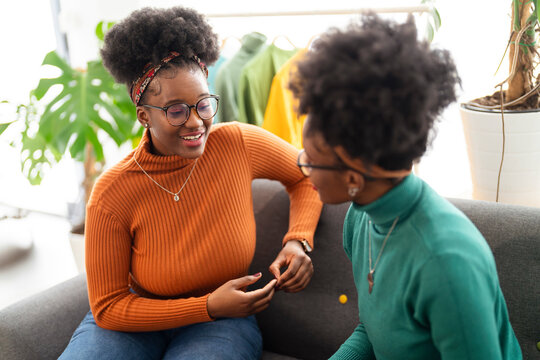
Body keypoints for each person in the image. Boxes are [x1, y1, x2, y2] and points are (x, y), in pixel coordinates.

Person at [59, 6, 322, 360]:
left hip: (224, 322)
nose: (196, 122)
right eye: (177, 110)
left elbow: (308, 174)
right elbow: (108, 307)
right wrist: (207, 305)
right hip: (138, 317)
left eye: (203, 104)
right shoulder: (113, 191)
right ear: (143, 116)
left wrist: (298, 241)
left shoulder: (237, 144)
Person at [289, 14, 522, 360]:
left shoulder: (447, 264)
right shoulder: (360, 219)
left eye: (310, 160)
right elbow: (374, 330)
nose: (303, 170)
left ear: (354, 179)